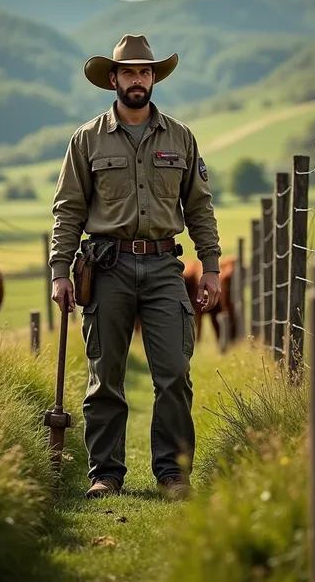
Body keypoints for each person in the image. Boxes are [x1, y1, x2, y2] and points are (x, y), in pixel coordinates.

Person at [49, 34, 222, 501]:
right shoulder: (86, 139)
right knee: (105, 375)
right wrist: (59, 272)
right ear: (113, 79)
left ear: (154, 78)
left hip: (166, 266)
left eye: (145, 72)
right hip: (107, 268)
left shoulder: (181, 137)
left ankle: (173, 474)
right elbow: (68, 210)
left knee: (174, 373)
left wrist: (210, 267)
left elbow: (200, 208)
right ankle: (105, 474)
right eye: (129, 72)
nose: (138, 79)